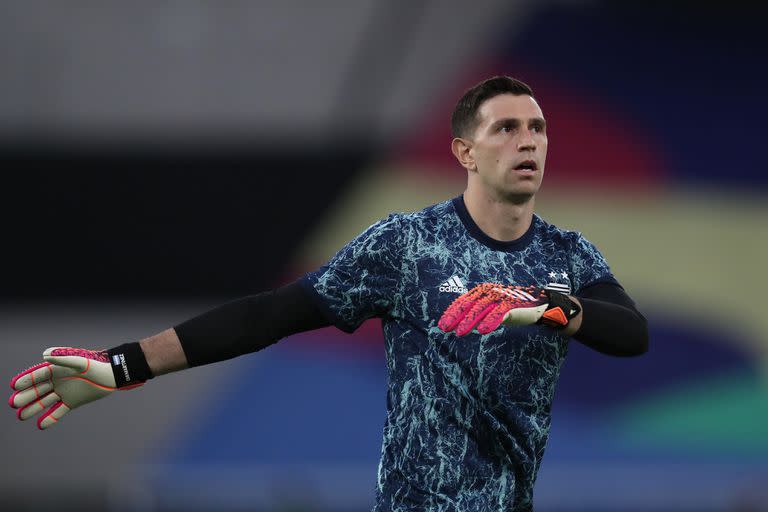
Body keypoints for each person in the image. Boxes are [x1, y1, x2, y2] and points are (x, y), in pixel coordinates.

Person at [9, 76, 648, 511]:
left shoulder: (568, 256)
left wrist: (551, 308)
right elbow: (269, 315)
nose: (529, 140)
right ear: (465, 152)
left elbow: (630, 334)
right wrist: (122, 366)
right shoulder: (406, 245)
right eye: (506, 128)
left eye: (536, 128)